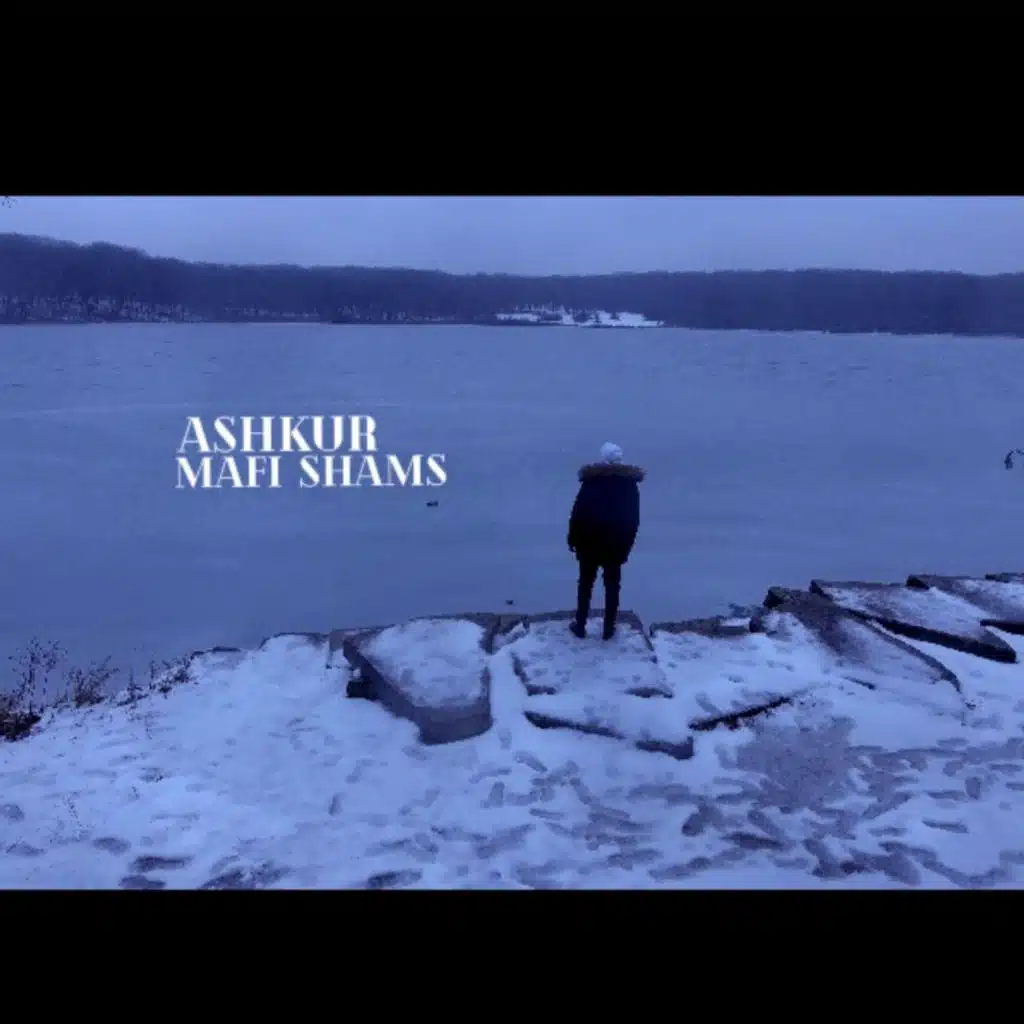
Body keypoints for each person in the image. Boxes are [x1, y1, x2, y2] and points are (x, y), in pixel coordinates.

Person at [566, 442, 645, 640]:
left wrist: (573, 539)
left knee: (585, 584)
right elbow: (633, 519)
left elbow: (578, 513)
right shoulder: (629, 485)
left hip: (589, 543)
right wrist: (626, 546)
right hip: (616, 545)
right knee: (612, 586)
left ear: (603, 459)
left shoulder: (591, 482)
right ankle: (608, 628)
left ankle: (580, 625)